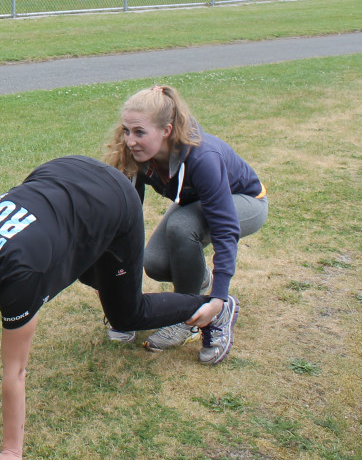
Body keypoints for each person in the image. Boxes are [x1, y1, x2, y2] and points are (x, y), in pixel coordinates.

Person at [0, 156, 235, 460]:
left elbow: (15, 371)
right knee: (87, 272)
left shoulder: (18, 275)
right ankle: (109, 280)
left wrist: (12, 451)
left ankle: (215, 307)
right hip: (64, 175)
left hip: (112, 199)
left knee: (127, 313)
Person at [103, 84, 266, 354]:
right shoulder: (138, 154)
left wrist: (218, 296)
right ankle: (198, 288)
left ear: (166, 131)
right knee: (154, 262)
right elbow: (126, 221)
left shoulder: (203, 158)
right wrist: (111, 283)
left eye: (139, 132)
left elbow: (225, 230)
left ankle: (203, 314)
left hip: (247, 202)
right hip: (196, 204)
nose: (130, 140)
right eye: (126, 130)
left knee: (181, 227)